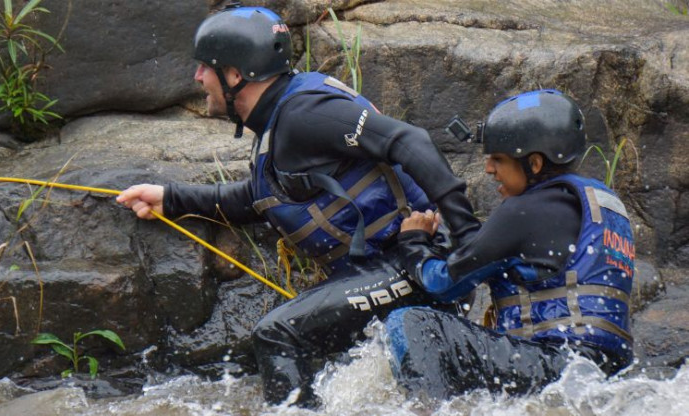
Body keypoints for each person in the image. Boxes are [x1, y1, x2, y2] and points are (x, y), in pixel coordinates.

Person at [116, 4, 480, 406]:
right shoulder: (280, 120)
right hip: (387, 267)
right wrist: (170, 199)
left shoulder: (304, 114)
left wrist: (467, 240)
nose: (197, 77)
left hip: (420, 260)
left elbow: (410, 140)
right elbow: (258, 199)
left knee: (277, 335)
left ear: (235, 75)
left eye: (205, 67)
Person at [385, 89, 635, 401]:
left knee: (411, 323)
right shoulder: (604, 204)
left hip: (557, 364)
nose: (489, 169)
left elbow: (444, 284)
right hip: (607, 371)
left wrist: (414, 242)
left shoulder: (526, 210)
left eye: (498, 159)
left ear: (535, 163)